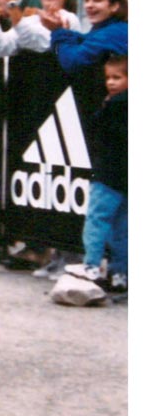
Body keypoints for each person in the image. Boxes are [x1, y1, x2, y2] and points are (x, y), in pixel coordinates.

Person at [65, 53, 128, 294]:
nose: (111, 82)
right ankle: (120, 272)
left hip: (107, 173)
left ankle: (91, 265)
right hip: (125, 177)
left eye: (118, 77)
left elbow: (99, 133)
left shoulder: (115, 105)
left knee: (97, 220)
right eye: (108, 78)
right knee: (122, 226)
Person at [50, 0, 128, 72]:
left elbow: (73, 62)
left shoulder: (115, 32)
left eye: (97, 0)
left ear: (114, 6)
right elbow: (85, 40)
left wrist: (59, 32)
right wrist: (64, 33)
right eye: (87, 0)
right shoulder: (106, 29)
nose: (89, 5)